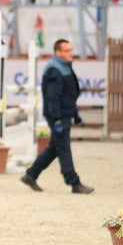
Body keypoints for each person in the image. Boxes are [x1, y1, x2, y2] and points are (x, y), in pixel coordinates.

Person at [21, 39, 94, 194]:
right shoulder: (55, 70)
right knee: (64, 148)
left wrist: (74, 113)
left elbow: (67, 95)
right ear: (58, 52)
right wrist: (58, 120)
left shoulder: (63, 67)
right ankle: (74, 183)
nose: (71, 53)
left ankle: (31, 175)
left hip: (64, 114)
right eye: (67, 51)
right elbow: (53, 98)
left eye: (71, 50)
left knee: (56, 148)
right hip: (58, 116)